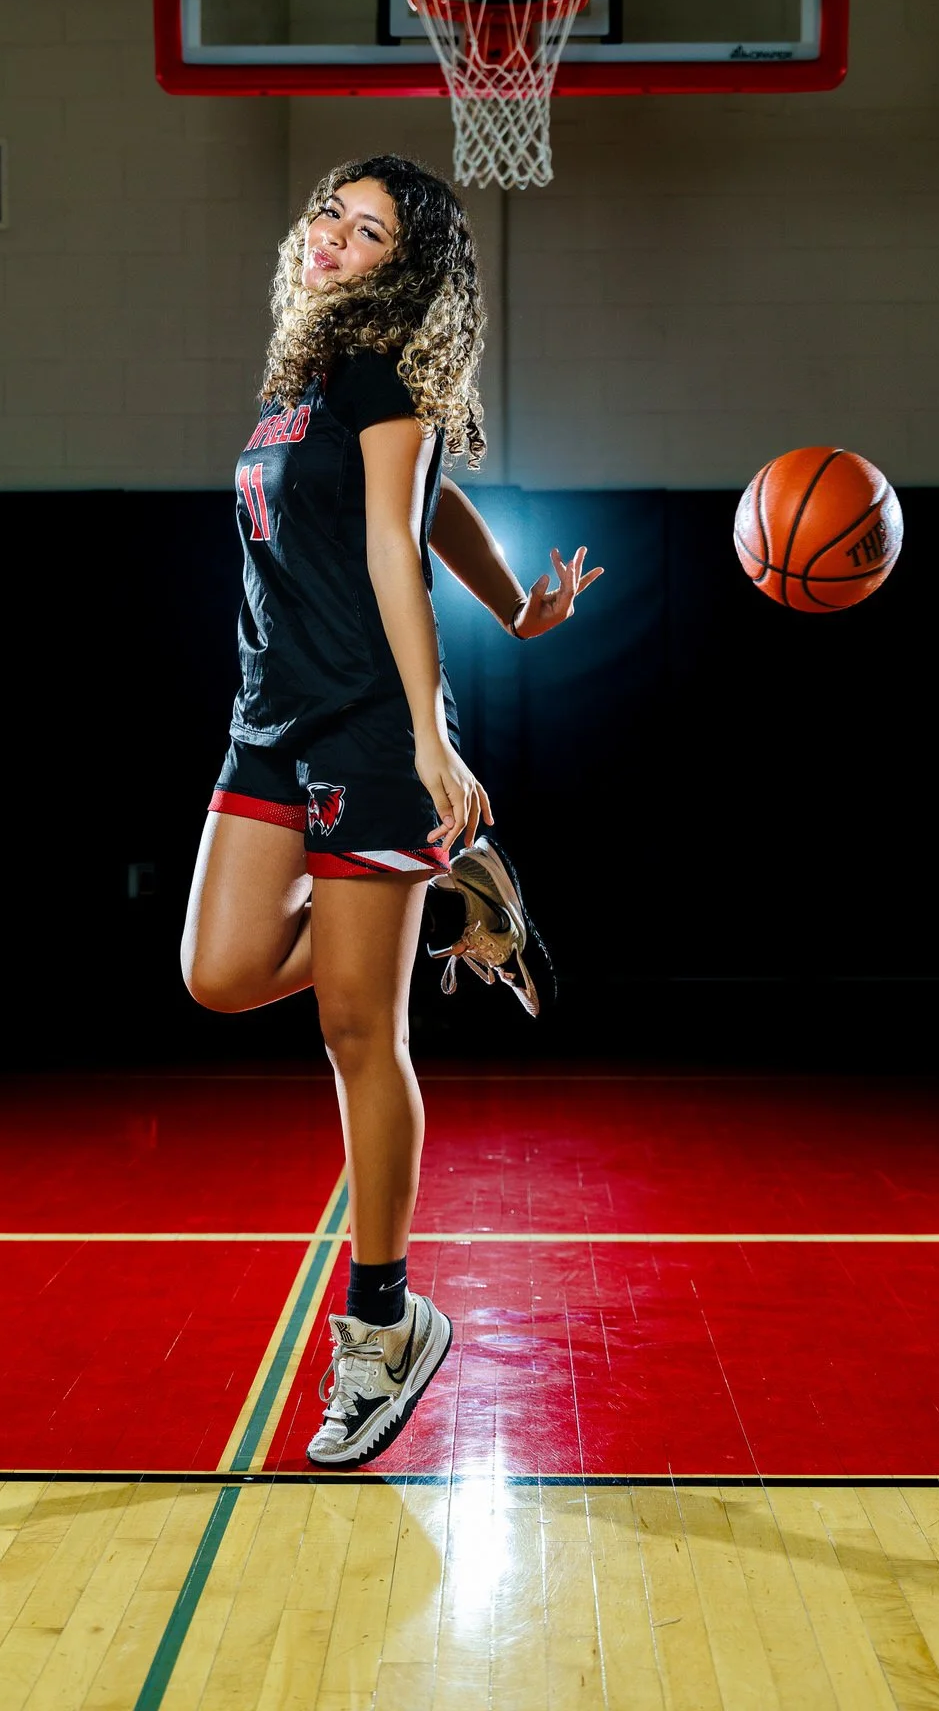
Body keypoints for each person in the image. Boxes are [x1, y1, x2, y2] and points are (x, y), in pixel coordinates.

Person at [180, 154, 602, 1468]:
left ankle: (380, 1324)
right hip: (269, 723)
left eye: (364, 232)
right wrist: (515, 593)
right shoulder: (304, 383)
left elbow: (388, 548)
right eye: (329, 213)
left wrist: (428, 734)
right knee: (220, 971)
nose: (331, 237)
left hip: (368, 733)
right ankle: (461, 893)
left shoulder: (383, 379)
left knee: (359, 1030)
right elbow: (430, 509)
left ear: (401, 269)